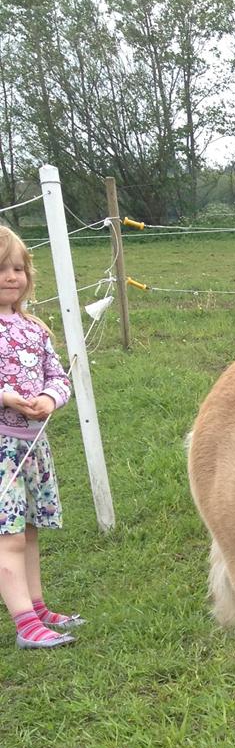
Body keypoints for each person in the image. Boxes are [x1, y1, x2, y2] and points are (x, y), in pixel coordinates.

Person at [0, 224, 82, 649]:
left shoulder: (35, 328)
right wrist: (8, 398)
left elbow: (57, 376)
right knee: (7, 535)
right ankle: (24, 624)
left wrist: (50, 399)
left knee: (29, 529)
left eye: (18, 268)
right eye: (1, 269)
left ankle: (36, 606)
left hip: (33, 447)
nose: (12, 277)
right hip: (1, 450)